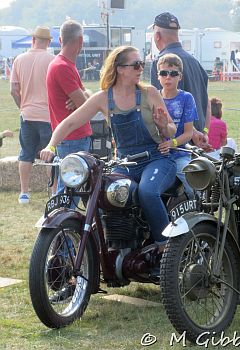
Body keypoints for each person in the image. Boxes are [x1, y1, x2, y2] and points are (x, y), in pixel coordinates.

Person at [40, 45, 177, 252]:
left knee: (147, 192)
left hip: (156, 158)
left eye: (142, 64)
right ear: (121, 69)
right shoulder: (103, 98)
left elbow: (171, 130)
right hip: (125, 162)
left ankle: (164, 248)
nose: (141, 68)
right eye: (136, 64)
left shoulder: (149, 93)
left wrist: (162, 125)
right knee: (104, 195)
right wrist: (51, 145)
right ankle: (114, 247)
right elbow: (68, 123)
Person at [149, 12, 211, 150]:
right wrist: (204, 132)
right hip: (198, 141)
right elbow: (207, 102)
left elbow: (159, 106)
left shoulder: (160, 65)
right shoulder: (194, 61)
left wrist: (193, 134)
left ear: (157, 36)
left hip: (177, 144)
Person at [46, 20, 92, 196]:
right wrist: (83, 96)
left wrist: (82, 94)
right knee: (70, 191)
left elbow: (84, 99)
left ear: (60, 39)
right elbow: (87, 105)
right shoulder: (63, 67)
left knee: (69, 188)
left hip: (69, 135)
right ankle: (59, 223)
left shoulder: (62, 64)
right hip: (73, 135)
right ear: (80, 41)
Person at [10, 26, 54, 204]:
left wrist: (23, 107)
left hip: (27, 115)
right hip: (48, 115)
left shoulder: (19, 59)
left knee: (26, 154)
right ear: (49, 42)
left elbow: (14, 90)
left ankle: (24, 193)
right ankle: (52, 192)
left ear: (33, 40)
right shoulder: (52, 60)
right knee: (50, 155)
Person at [156, 53, 197, 198]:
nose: (168, 77)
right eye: (164, 73)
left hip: (180, 153)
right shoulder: (153, 97)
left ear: (180, 76)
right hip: (155, 155)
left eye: (173, 73)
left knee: (192, 183)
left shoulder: (186, 98)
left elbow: (188, 133)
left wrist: (172, 144)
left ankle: (197, 210)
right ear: (158, 76)